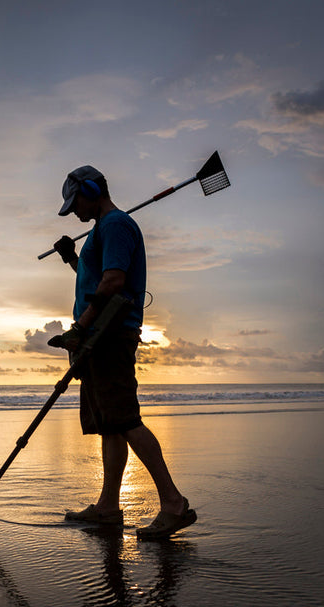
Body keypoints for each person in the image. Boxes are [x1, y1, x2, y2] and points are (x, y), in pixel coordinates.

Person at [48, 165, 196, 539]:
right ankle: (108, 507)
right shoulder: (103, 230)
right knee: (110, 425)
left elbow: (115, 281)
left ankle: (174, 503)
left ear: (93, 189)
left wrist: (81, 328)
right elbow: (96, 277)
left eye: (76, 202)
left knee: (125, 419)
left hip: (108, 334)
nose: (74, 212)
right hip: (97, 336)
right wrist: (72, 258)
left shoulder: (115, 225)